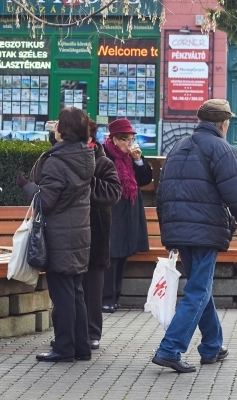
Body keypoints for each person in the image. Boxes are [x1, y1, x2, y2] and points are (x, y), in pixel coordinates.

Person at [153, 99, 237, 373]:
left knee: (199, 286)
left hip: (180, 230)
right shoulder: (221, 148)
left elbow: (161, 194)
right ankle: (170, 349)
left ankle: (212, 345)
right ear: (224, 123)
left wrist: (168, 232)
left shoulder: (178, 146)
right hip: (204, 231)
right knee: (199, 289)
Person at [22, 108, 95, 362]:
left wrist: (27, 186)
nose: (54, 128)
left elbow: (46, 201)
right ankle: (81, 347)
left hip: (60, 237)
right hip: (78, 236)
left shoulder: (57, 161)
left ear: (64, 131)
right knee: (76, 294)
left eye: (58, 125)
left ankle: (64, 348)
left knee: (63, 297)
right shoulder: (85, 156)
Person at [101, 118, 152, 313]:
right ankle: (106, 298)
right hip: (112, 208)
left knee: (123, 254)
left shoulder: (131, 156)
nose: (129, 144)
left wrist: (139, 160)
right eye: (125, 140)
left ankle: (115, 296)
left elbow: (145, 180)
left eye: (131, 139)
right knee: (112, 252)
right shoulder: (104, 154)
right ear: (114, 139)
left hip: (129, 207)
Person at [81, 120, 121, 349]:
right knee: (71, 288)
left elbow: (111, 193)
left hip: (96, 234)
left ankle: (92, 332)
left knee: (93, 288)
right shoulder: (61, 157)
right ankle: (71, 330)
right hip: (70, 236)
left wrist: (85, 177)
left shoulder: (103, 162)